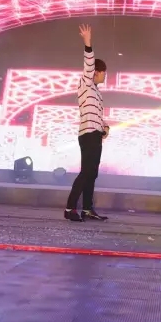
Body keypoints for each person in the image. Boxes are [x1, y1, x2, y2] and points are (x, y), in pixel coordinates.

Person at [64, 24, 109, 222]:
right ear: (96, 72)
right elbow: (88, 64)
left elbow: (97, 115)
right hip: (88, 134)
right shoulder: (86, 83)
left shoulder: (97, 93)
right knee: (86, 172)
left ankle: (88, 209)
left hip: (95, 134)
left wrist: (105, 127)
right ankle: (70, 208)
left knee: (92, 173)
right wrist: (88, 42)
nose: (105, 75)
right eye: (104, 72)